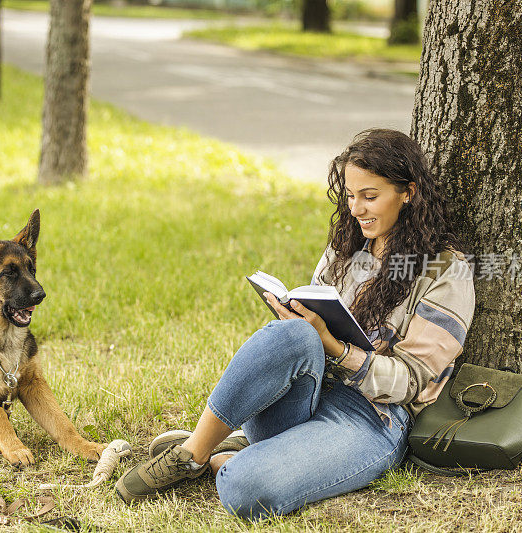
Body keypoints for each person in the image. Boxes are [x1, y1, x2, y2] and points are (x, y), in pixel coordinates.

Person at [115, 129, 476, 520]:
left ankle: (236, 456)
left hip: (375, 418)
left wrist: (336, 347)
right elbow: (309, 332)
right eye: (350, 196)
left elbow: (410, 380)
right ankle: (193, 454)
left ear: (409, 192)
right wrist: (299, 320)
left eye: (370, 196)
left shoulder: (446, 271)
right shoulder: (346, 246)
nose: (356, 209)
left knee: (244, 489)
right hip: (312, 389)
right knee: (295, 334)